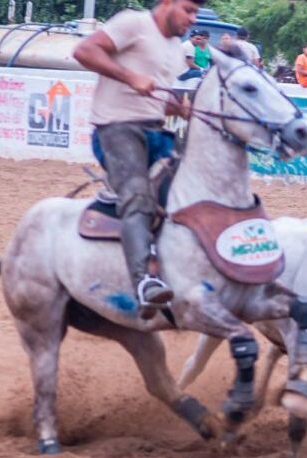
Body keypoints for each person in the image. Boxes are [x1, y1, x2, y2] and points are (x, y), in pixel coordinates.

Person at [72, 0, 199, 319]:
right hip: (115, 130)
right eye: (188, 10)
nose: (192, 19)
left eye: (196, 13)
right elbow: (84, 51)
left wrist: (176, 107)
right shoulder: (133, 23)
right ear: (168, 3)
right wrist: (129, 77)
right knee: (139, 197)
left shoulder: (173, 47)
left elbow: (156, 97)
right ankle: (144, 283)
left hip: (155, 132)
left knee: (192, 195)